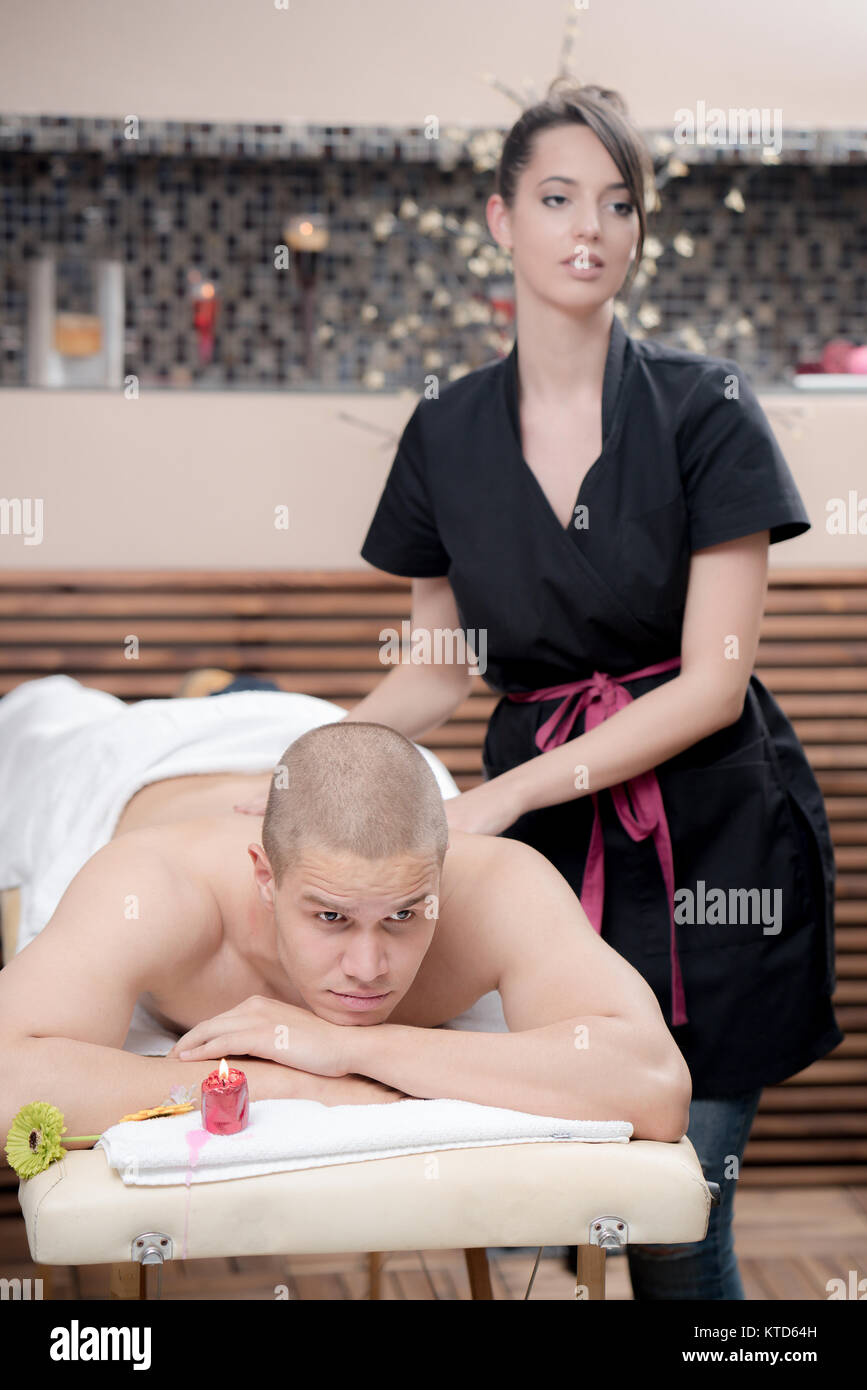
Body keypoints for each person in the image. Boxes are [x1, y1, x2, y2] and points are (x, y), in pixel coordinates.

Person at [342, 81, 844, 1300]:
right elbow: (442, 664)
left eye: (617, 204)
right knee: (553, 1210)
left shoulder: (705, 407)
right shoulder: (445, 431)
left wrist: (505, 794)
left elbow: (715, 687)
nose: (589, 228)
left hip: (716, 842)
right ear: (501, 217)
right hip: (551, 871)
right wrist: (316, 758)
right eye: (558, 198)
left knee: (679, 1229)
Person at [0, 716, 690, 1150]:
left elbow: (653, 1084)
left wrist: (343, 1047)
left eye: (403, 916)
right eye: (330, 918)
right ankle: (210, 695)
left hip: (333, 739)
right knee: (42, 720)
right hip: (134, 760)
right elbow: (9, 1079)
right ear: (264, 878)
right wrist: (291, 1085)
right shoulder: (152, 886)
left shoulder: (499, 883)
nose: (367, 966)